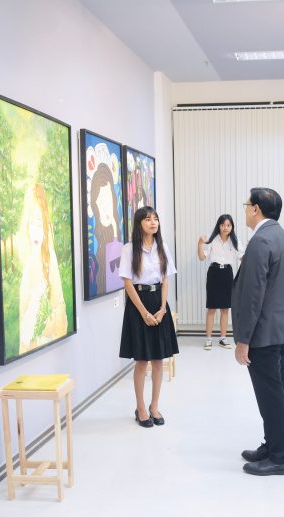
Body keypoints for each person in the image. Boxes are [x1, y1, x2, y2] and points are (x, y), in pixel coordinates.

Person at [232, 188, 284, 476]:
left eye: (247, 205)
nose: (245, 209)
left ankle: (281, 457)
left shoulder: (261, 241)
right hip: (279, 329)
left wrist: (243, 340)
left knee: (270, 395)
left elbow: (253, 295)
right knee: (278, 392)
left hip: (263, 333)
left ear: (256, 209)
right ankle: (273, 445)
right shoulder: (281, 236)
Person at [119, 206, 179, 428]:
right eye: (147, 219)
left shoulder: (162, 247)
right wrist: (144, 313)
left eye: (155, 219)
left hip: (158, 302)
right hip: (138, 304)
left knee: (158, 359)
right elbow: (128, 283)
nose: (153, 222)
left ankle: (154, 406)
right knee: (142, 361)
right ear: (139, 224)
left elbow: (165, 279)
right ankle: (141, 408)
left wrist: (163, 308)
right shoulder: (129, 249)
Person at [18, 183, 68, 354]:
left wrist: (43, 336)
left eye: (39, 224)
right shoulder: (28, 265)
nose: (35, 231)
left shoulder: (49, 259)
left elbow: (58, 308)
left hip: (47, 341)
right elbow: (24, 328)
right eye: (31, 224)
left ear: (45, 226)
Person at [197, 214, 243, 350]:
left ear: (232, 227)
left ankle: (223, 338)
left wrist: (252, 248)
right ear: (219, 226)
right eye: (223, 225)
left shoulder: (235, 241)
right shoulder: (212, 239)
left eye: (228, 225)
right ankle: (208, 339)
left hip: (227, 274)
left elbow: (243, 258)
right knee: (211, 308)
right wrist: (199, 244)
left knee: (225, 308)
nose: (225, 228)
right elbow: (202, 257)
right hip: (214, 273)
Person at [87, 151, 123, 297]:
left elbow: (115, 278)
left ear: (113, 199)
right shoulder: (93, 255)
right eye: (99, 201)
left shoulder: (117, 242)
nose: (104, 208)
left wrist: (114, 233)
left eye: (107, 198)